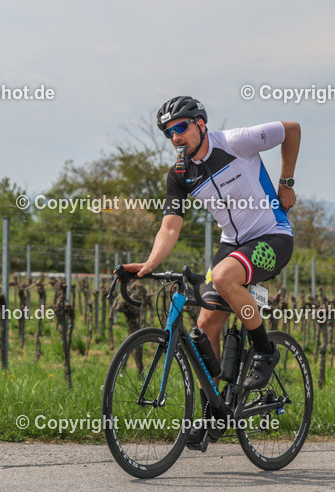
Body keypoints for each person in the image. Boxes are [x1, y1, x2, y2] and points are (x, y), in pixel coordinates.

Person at [125, 95, 299, 447]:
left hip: (272, 235)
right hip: (232, 244)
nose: (175, 136)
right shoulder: (180, 175)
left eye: (181, 127)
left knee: (222, 277)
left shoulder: (236, 141)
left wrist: (286, 182)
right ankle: (214, 413)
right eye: (168, 132)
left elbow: (292, 130)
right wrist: (149, 264)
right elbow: (170, 227)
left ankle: (265, 350)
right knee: (204, 326)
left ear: (201, 124)